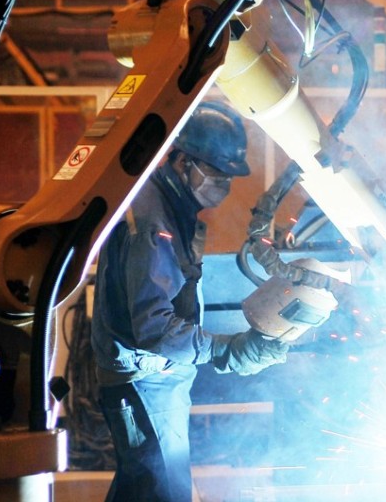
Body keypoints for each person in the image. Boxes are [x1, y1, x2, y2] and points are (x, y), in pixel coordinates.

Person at [90, 100, 289, 502]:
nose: (223, 185)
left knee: (142, 489)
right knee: (164, 494)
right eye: (215, 173)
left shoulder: (166, 206)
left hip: (154, 380)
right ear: (182, 161)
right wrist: (227, 350)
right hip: (145, 383)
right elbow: (154, 328)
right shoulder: (154, 224)